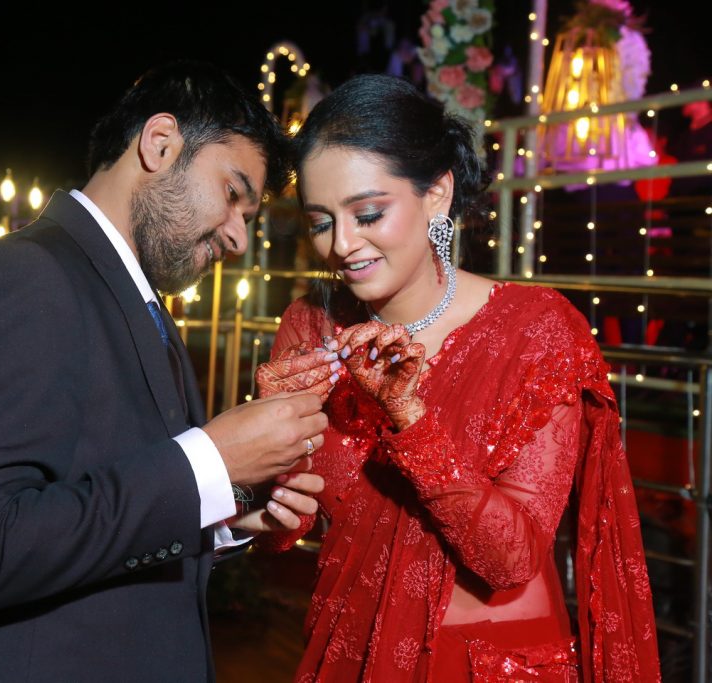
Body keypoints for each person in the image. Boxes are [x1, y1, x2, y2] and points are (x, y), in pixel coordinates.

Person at [0, 61, 329, 683]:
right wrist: (210, 461)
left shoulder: (142, 301)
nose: (240, 237)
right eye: (234, 194)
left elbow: (97, 493)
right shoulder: (21, 276)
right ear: (160, 144)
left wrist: (223, 508)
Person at [255, 74, 661, 681]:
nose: (341, 245)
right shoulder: (311, 327)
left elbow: (512, 559)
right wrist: (269, 462)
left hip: (487, 665)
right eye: (320, 222)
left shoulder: (537, 331)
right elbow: (287, 530)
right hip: (351, 653)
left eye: (368, 213)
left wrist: (408, 417)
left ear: (438, 194)